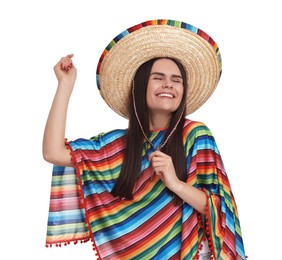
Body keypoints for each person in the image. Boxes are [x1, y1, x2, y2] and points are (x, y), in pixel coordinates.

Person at [43, 19, 246, 260]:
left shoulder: (195, 135)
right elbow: (53, 153)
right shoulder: (117, 145)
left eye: (177, 79)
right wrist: (65, 85)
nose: (169, 84)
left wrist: (175, 184)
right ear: (140, 85)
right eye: (158, 77)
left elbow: (218, 209)